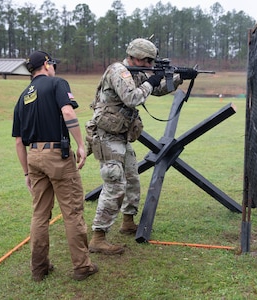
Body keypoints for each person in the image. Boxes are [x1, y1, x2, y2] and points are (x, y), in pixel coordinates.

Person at [85, 38, 198, 255]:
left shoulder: (135, 73)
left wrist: (179, 77)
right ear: (138, 57)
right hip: (108, 137)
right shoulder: (119, 71)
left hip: (121, 136)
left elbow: (156, 89)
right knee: (114, 185)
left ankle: (127, 223)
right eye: (148, 61)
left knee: (132, 180)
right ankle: (98, 237)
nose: (150, 66)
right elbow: (132, 98)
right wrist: (151, 80)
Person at [12, 50, 98, 282]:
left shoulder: (22, 97)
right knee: (72, 212)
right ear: (47, 64)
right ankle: (82, 266)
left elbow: (19, 141)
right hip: (57, 156)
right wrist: (81, 145)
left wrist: (26, 173)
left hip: (34, 157)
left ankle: (39, 269)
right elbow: (68, 111)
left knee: (40, 214)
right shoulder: (57, 83)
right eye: (53, 64)